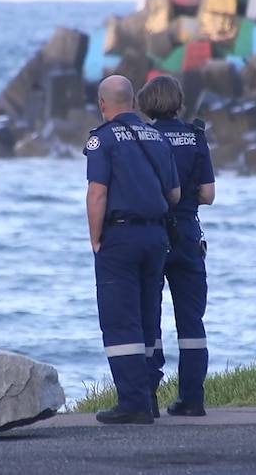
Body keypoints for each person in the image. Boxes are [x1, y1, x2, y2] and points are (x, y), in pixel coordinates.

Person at [84, 74, 180, 425]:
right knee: (148, 318)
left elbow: (97, 192)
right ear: (135, 103)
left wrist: (96, 239)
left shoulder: (102, 140)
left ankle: (132, 402)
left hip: (120, 237)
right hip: (156, 238)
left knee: (120, 319)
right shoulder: (156, 136)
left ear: (102, 104)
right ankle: (149, 395)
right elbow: (174, 195)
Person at [137, 75, 215, 417]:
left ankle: (149, 396)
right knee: (192, 321)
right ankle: (192, 398)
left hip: (155, 232)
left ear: (147, 102)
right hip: (188, 232)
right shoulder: (196, 136)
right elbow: (209, 195)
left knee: (149, 317)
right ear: (179, 100)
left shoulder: (146, 137)